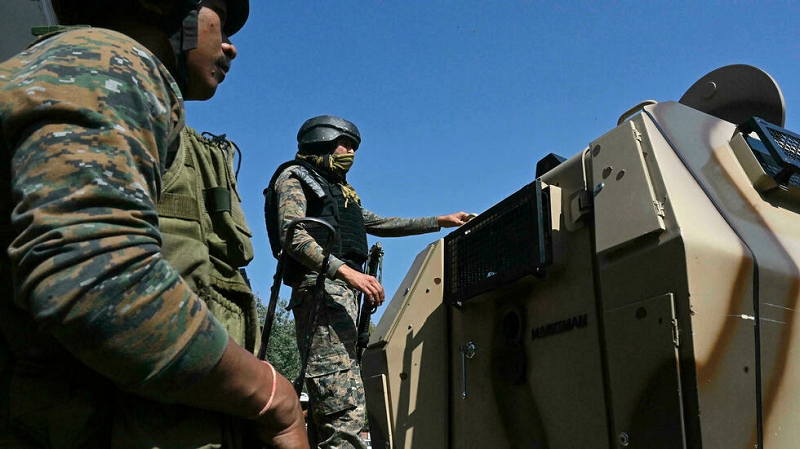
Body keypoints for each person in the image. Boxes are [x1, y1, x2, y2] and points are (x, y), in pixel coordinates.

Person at [0, 1, 308, 448]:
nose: (230, 47)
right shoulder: (105, 61)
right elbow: (99, 278)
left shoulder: (132, 89)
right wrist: (270, 397)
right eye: (219, 16)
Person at [265, 115, 469, 448]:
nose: (351, 153)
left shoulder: (340, 193)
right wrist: (346, 272)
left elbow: (380, 222)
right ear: (323, 142)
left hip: (340, 294)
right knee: (341, 404)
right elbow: (292, 234)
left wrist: (439, 221)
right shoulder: (295, 177)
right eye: (345, 144)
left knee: (332, 403)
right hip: (321, 291)